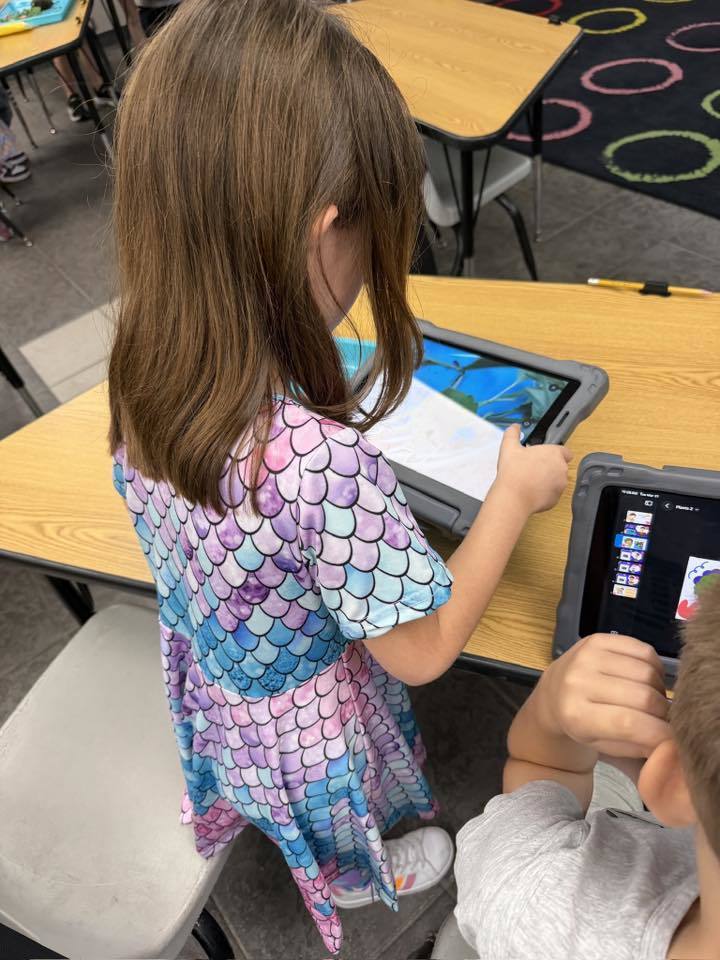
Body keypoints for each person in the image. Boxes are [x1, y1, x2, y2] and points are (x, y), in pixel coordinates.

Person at [107, 0, 571, 952]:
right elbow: (426, 647)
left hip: (226, 671)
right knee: (338, 809)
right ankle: (367, 873)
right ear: (325, 232)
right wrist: (515, 494)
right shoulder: (318, 458)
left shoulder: (142, 352)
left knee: (285, 786)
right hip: (314, 712)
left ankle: (315, 845)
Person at [454, 585, 720, 958]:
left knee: (611, 754)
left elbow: (540, 765)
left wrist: (550, 706)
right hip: (670, 828)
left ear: (672, 782)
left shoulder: (529, 892)